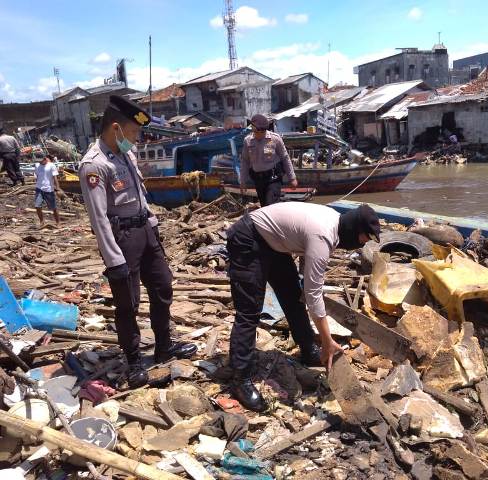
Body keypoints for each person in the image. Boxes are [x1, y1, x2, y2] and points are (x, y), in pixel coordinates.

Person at [79, 95, 196, 388]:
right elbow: (98, 218)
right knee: (127, 303)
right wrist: (113, 259)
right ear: (115, 128)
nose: (137, 138)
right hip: (122, 239)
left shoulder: (126, 154)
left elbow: (139, 193)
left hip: (145, 231)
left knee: (163, 287)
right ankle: (133, 361)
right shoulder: (94, 165)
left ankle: (164, 345)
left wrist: (153, 224)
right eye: (133, 132)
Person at [226, 202, 380, 411]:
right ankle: (240, 379)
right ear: (354, 230)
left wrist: (303, 280)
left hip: (274, 242)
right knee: (249, 311)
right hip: (249, 237)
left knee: (292, 296)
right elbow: (314, 293)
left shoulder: (335, 224)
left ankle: (307, 349)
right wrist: (327, 340)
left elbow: (307, 263)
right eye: (363, 239)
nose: (361, 246)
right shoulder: (324, 235)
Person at [240, 114, 297, 206]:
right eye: (255, 131)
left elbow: (285, 158)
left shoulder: (275, 139)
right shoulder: (248, 141)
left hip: (273, 179)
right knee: (264, 206)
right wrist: (243, 181)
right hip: (258, 180)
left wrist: (292, 178)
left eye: (260, 132)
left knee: (271, 205)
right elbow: (245, 161)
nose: (258, 134)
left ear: (264, 130)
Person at [34, 154, 61, 226]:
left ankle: (58, 222)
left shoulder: (51, 165)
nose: (39, 162)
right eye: (38, 161)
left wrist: (57, 189)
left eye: (41, 161)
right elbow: (37, 176)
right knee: (37, 205)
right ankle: (42, 221)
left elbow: (55, 178)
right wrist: (37, 184)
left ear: (45, 159)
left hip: (49, 189)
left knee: (53, 207)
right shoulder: (37, 165)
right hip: (39, 188)